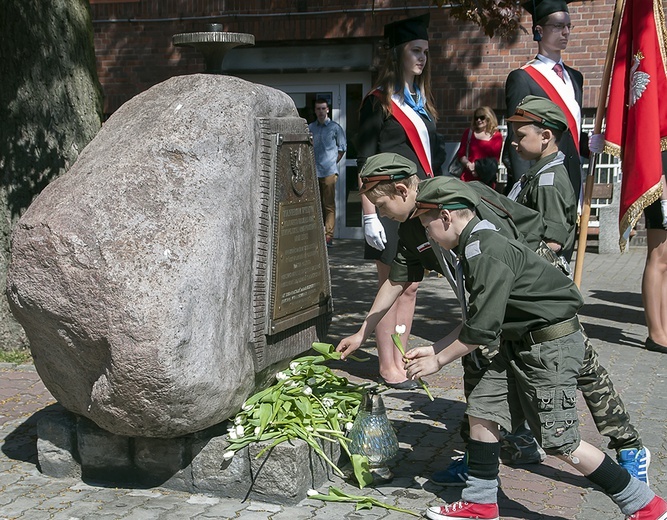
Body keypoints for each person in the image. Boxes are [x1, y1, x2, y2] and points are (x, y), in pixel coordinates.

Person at [337, 152, 649, 488]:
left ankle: (629, 447)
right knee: (480, 369)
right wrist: (362, 331)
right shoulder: (414, 226)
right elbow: (396, 281)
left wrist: (443, 353)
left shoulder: (456, 200)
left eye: (381, 206)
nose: (381, 215)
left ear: (401, 190)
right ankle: (487, 455)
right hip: (487, 299)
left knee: (581, 367)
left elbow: (503, 257)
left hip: (534, 295)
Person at [404, 179, 667, 520]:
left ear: (446, 216)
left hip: (548, 348)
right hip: (519, 342)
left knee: (560, 440)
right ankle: (480, 502)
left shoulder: (484, 249)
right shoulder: (476, 244)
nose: (427, 235)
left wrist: (439, 360)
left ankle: (643, 503)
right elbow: (482, 317)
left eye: (427, 226)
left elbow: (482, 329)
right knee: (483, 410)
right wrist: (434, 348)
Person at [356, 13, 441, 388]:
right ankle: (386, 361)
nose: (422, 58)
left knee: (412, 283)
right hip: (387, 206)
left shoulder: (422, 103)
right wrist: (369, 215)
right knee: (390, 282)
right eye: (415, 50)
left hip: (417, 205)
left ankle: (402, 355)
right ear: (397, 54)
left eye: (425, 51)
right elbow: (364, 163)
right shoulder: (377, 103)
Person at [502, 0, 584, 203]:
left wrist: (590, 145)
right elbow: (518, 137)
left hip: (571, 178)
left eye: (568, 26)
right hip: (542, 183)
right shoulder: (522, 77)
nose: (565, 32)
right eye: (558, 26)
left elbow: (570, 132)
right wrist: (525, 191)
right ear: (539, 30)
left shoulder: (576, 77)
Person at [308, 98, 347, 247]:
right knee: (314, 204)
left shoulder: (335, 128)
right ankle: (315, 234)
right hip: (313, 171)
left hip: (329, 171)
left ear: (328, 110)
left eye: (323, 108)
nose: (321, 111)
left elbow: (342, 148)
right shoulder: (311, 127)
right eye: (318, 109)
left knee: (328, 205)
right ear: (315, 110)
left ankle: (328, 236)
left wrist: (332, 162)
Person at [455, 107, 502, 188]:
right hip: (468, 178)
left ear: (488, 118)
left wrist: (477, 168)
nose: (479, 120)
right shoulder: (468, 133)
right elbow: (461, 154)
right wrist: (468, 165)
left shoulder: (497, 136)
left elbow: (494, 159)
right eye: (476, 118)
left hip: (486, 178)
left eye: (482, 117)